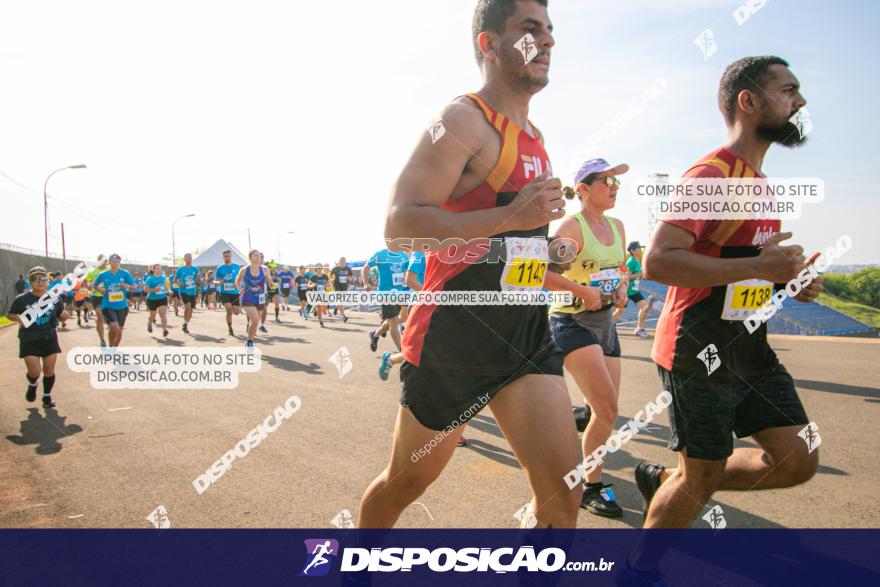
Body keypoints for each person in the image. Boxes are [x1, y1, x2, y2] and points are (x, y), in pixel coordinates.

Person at [356, 0, 584, 529]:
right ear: (488, 44)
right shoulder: (462, 120)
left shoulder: (535, 136)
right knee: (406, 483)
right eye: (530, 30)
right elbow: (401, 227)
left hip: (525, 335)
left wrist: (546, 248)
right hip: (455, 335)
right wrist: (512, 214)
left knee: (562, 496)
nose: (547, 41)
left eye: (550, 30)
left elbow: (505, 238)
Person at [635, 55, 820, 534]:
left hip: (750, 348)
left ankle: (669, 483)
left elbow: (737, 268)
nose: (800, 101)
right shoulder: (712, 176)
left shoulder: (759, 184)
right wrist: (761, 265)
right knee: (703, 472)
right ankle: (638, 568)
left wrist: (786, 282)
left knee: (798, 458)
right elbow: (658, 261)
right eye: (789, 90)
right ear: (750, 101)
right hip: (698, 348)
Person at [546, 158, 631, 517]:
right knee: (608, 409)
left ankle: (572, 420)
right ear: (584, 189)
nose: (614, 186)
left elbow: (620, 269)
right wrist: (580, 291)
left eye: (617, 181)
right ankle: (590, 486)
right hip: (571, 320)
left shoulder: (618, 225)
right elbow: (539, 273)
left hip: (605, 323)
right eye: (607, 180)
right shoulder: (572, 227)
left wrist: (623, 289)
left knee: (605, 411)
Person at [6, 267, 70, 408]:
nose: (40, 282)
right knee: (34, 371)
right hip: (29, 339)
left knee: (49, 370)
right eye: (35, 279)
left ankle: (47, 396)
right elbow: (9, 314)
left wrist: (65, 316)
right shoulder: (22, 299)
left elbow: (61, 314)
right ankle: (33, 383)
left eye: (43, 279)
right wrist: (18, 318)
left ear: (48, 281)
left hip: (49, 338)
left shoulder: (54, 299)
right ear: (30, 282)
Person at [363, 248, 409, 353]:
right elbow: (366, 268)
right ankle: (402, 351)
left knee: (402, 318)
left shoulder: (404, 256)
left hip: (400, 293)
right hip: (386, 293)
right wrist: (366, 283)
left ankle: (375, 334)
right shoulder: (380, 254)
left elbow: (408, 273)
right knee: (393, 322)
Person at [612, 241, 658, 338]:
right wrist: (639, 275)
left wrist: (640, 277)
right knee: (619, 312)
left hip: (634, 290)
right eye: (638, 248)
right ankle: (607, 326)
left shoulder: (637, 261)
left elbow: (636, 275)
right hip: (627, 291)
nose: (640, 250)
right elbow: (626, 276)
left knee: (645, 307)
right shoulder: (631, 261)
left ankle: (639, 329)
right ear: (632, 250)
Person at [93, 254, 136, 347]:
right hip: (107, 305)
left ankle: (114, 348)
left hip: (122, 306)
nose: (115, 264)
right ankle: (111, 346)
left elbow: (134, 286)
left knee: (119, 330)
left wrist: (127, 286)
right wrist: (101, 291)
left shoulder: (125, 273)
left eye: (117, 262)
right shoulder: (103, 275)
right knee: (114, 326)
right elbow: (94, 284)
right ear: (109, 262)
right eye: (113, 261)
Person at [235, 250, 274, 349]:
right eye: (255, 255)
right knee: (255, 319)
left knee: (255, 322)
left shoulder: (265, 269)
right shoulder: (244, 270)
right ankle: (250, 342)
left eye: (259, 256)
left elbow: (270, 282)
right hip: (248, 297)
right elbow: (237, 280)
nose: (258, 257)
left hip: (260, 298)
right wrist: (239, 288)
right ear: (250, 258)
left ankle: (249, 340)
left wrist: (272, 284)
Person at [214, 250, 242, 336]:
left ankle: (232, 313)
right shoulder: (220, 268)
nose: (227, 257)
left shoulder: (236, 267)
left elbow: (242, 278)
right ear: (223, 257)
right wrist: (219, 283)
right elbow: (214, 281)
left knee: (236, 312)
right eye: (226, 256)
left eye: (229, 256)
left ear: (231, 257)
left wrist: (237, 283)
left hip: (235, 292)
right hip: (224, 292)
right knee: (229, 309)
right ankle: (230, 328)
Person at [174, 253, 201, 334]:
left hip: (192, 291)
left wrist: (198, 279)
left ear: (191, 259)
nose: (188, 259)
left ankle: (185, 324)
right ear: (184, 259)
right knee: (188, 307)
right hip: (183, 291)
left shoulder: (195, 269)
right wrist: (179, 284)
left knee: (191, 311)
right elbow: (175, 280)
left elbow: (198, 282)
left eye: (190, 258)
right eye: (187, 258)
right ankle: (185, 324)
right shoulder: (180, 269)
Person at [86, 255, 110, 347]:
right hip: (96, 297)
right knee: (100, 316)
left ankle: (100, 321)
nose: (103, 262)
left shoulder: (109, 270)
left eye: (105, 260)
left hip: (108, 296)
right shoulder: (92, 271)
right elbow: (87, 282)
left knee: (104, 318)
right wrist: (89, 285)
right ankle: (102, 340)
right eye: (101, 260)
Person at [144, 263, 170, 337]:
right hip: (152, 299)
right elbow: (145, 289)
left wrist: (169, 290)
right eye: (157, 268)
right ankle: (149, 323)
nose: (159, 270)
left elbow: (165, 286)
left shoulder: (163, 278)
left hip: (162, 298)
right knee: (153, 315)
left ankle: (164, 330)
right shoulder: (150, 279)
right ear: (153, 269)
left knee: (162, 314)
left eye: (160, 268)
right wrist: (155, 290)